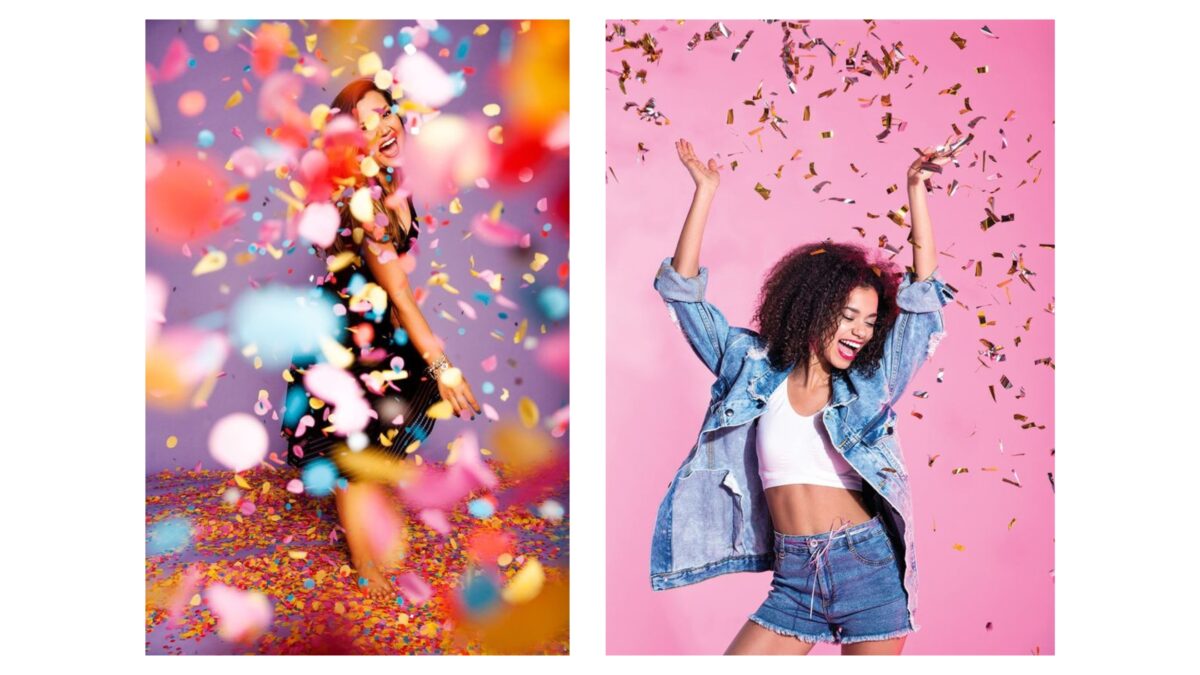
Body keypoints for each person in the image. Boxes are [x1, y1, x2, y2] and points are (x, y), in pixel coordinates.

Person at [650, 138, 958, 654]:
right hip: (795, 583)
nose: (860, 331)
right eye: (847, 316)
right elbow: (682, 294)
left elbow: (925, 302)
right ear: (812, 307)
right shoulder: (751, 367)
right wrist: (704, 192)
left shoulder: (871, 382)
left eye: (869, 320)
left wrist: (916, 191)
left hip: (869, 573)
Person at [280, 79, 482, 599]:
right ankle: (365, 567)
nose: (383, 124)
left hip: (378, 328)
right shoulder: (365, 202)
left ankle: (371, 549)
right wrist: (441, 367)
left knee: (373, 445)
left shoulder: (393, 186)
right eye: (366, 121)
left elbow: (398, 291)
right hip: (345, 335)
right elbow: (400, 292)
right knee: (354, 454)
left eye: (385, 111)